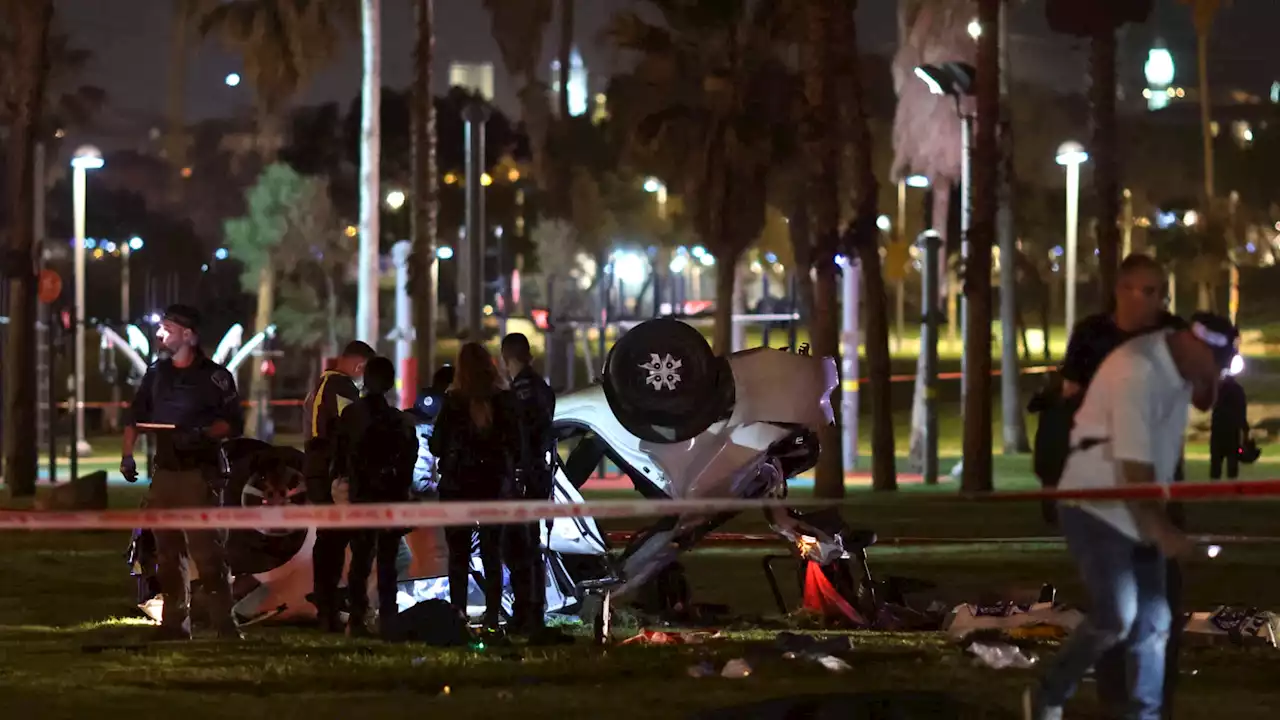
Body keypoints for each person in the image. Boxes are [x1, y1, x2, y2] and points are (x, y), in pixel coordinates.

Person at [1024, 312, 1239, 720]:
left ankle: (1145, 716)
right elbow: (1132, 471)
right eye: (1217, 361)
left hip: (1137, 506)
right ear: (1195, 345)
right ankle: (1049, 693)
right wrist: (1164, 532)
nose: (1218, 370)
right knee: (1116, 616)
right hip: (1095, 503)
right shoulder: (1137, 368)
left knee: (1155, 622)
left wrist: (1214, 376)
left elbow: (1204, 399)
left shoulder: (1183, 367)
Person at [120, 304, 243, 641]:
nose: (160, 334)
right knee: (167, 554)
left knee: (208, 555)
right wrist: (127, 455)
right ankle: (175, 624)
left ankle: (225, 625)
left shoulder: (215, 378)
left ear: (188, 335)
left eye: (168, 329)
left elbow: (232, 424)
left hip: (198, 476)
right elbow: (134, 417)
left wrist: (202, 433)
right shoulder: (155, 375)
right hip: (165, 475)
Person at [429, 342, 517, 634]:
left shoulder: (453, 401)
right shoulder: (504, 400)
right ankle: (493, 614)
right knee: (492, 553)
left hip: (458, 487)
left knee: (458, 555)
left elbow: (437, 444)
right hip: (493, 485)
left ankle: (459, 614)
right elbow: (515, 443)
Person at [330, 356, 420, 639]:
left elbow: (340, 457)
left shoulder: (351, 416)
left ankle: (357, 618)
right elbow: (409, 460)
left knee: (360, 561)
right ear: (390, 383)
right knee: (387, 562)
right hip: (390, 498)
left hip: (361, 497)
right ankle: (389, 618)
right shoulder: (399, 420)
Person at [303, 340, 376, 631]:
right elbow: (352, 427)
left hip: (318, 469)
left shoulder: (321, 386)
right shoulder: (342, 388)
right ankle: (330, 608)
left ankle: (327, 605)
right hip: (329, 472)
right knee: (336, 542)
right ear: (359, 366)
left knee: (329, 540)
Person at [500, 333, 563, 641]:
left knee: (518, 548)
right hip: (537, 475)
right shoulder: (542, 388)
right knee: (529, 545)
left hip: (522, 478)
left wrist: (515, 473)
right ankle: (529, 611)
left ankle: (527, 612)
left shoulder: (520, 391)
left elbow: (520, 436)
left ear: (505, 358)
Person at [1210, 372, 1249, 480]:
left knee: (1215, 467)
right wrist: (1245, 434)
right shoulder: (1238, 390)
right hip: (1232, 433)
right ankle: (1232, 493)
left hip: (1218, 432)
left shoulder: (1218, 389)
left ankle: (1214, 491)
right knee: (1232, 467)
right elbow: (1242, 414)